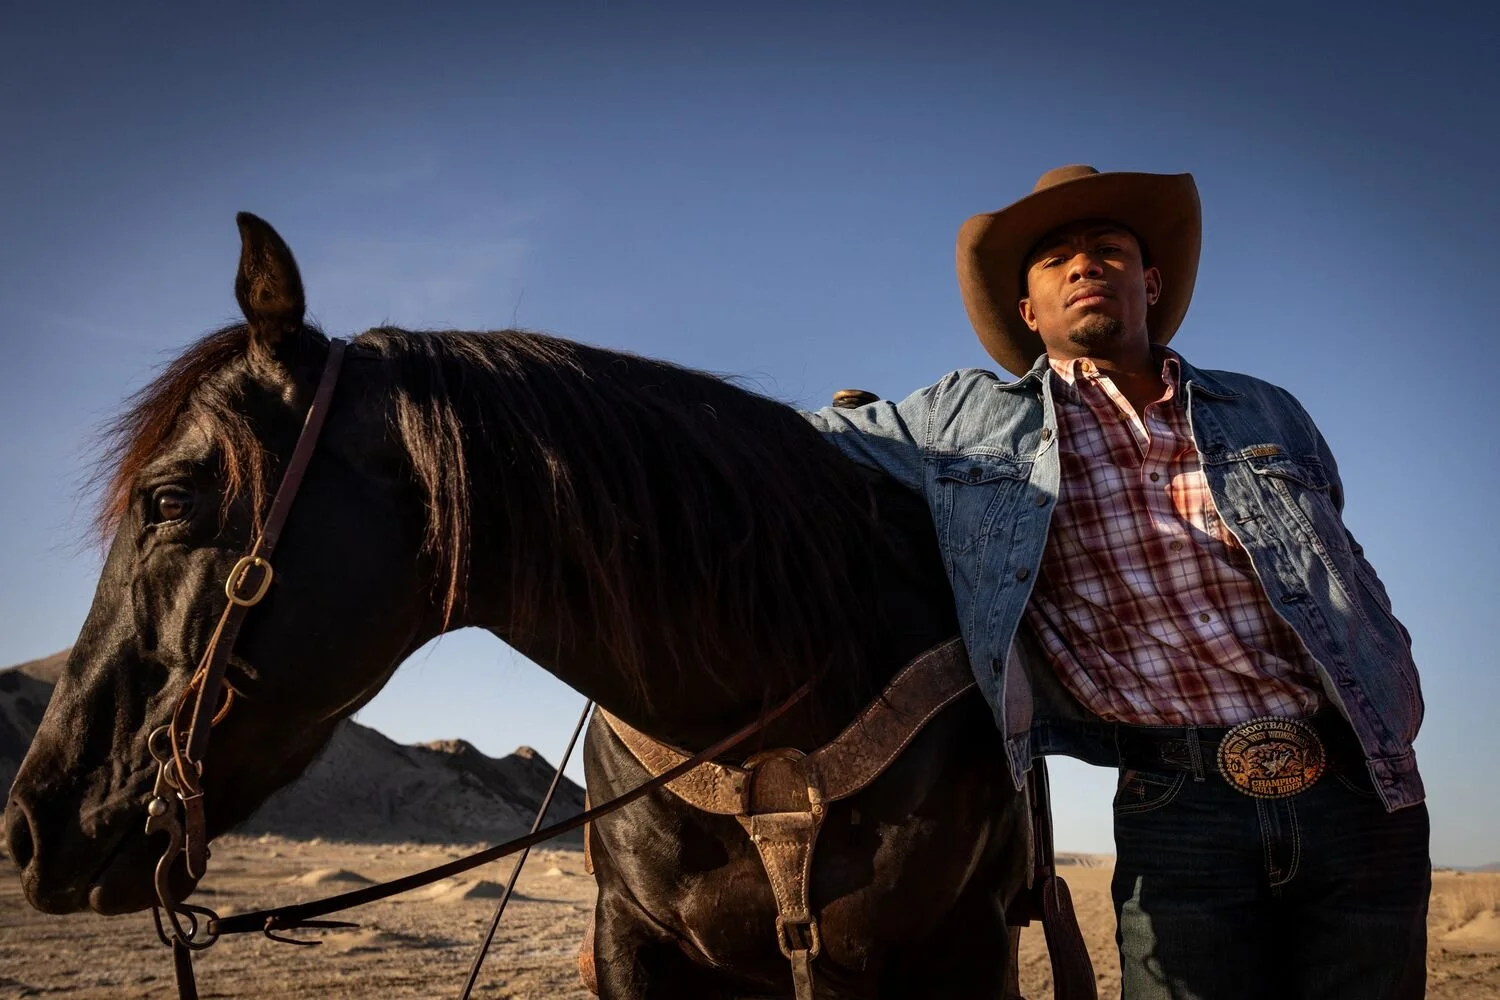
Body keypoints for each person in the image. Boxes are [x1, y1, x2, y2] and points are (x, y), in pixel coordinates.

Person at [804, 165, 1430, 999]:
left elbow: (1339, 566)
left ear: (1150, 281)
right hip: (1178, 801)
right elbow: (803, 441)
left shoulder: (1262, 408)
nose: (1084, 265)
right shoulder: (967, 421)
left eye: (1108, 249)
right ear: (1030, 312)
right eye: (1057, 257)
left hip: (1359, 782)